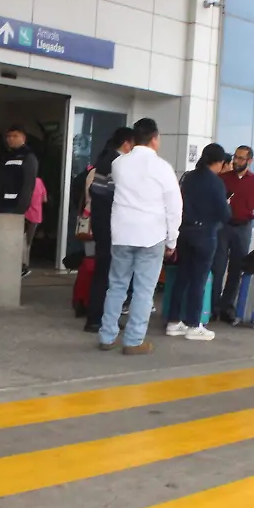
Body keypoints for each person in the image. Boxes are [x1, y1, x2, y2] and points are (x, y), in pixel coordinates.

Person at [98, 118, 181, 355]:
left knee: (116, 286)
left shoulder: (119, 163)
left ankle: (107, 335)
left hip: (122, 233)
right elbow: (174, 207)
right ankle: (133, 341)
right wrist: (172, 240)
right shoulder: (162, 168)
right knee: (144, 290)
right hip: (151, 235)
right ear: (154, 139)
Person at [166, 143, 230, 341]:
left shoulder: (188, 177)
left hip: (184, 232)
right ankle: (194, 324)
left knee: (182, 278)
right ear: (218, 162)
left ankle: (174, 322)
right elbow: (225, 214)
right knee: (199, 281)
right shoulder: (216, 182)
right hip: (205, 234)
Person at [213, 145, 254, 320]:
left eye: (241, 158)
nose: (236, 161)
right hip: (223, 227)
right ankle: (213, 307)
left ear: (249, 161)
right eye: (235, 157)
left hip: (243, 228)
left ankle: (227, 306)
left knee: (236, 267)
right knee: (218, 267)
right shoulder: (222, 178)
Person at [82, 127, 134, 333]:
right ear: (126, 143)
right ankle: (100, 319)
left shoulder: (104, 159)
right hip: (112, 226)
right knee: (110, 274)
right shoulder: (117, 163)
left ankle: (97, 317)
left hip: (101, 224)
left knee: (103, 272)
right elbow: (118, 197)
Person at [22, 176, 47, 277]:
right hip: (36, 216)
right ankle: (25, 266)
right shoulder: (39, 181)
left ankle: (22, 265)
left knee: (22, 240)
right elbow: (44, 199)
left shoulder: (25, 180)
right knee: (28, 242)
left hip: (25, 214)